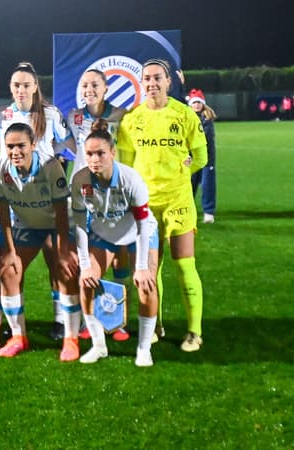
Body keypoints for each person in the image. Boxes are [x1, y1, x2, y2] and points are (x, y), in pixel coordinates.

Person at [117, 58, 208, 352]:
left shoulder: (184, 115)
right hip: (146, 206)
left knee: (184, 264)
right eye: (147, 78)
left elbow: (201, 157)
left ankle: (194, 332)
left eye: (158, 77)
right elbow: (125, 166)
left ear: (169, 82)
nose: (152, 83)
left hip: (178, 200)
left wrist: (183, 171)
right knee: (150, 268)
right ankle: (154, 324)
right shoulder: (131, 119)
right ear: (141, 82)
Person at [0, 61, 77, 341]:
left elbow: (70, 143)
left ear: (35, 87)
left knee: (57, 263)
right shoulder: (3, 115)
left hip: (48, 199)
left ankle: (61, 321)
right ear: (10, 87)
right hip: (20, 203)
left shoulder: (50, 114)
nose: (21, 90)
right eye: (16, 85)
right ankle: (14, 324)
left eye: (26, 85)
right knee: (11, 266)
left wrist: (57, 161)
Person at [71, 119, 160, 367]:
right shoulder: (79, 180)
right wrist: (85, 265)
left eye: (100, 153)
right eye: (89, 154)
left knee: (147, 285)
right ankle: (99, 346)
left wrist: (141, 267)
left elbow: (143, 224)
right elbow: (80, 225)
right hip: (104, 234)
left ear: (112, 152)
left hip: (139, 233)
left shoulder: (131, 179)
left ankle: (143, 349)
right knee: (87, 282)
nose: (94, 159)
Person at [0, 123, 79, 359]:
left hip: (57, 224)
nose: (15, 151)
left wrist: (63, 251)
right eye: (10, 146)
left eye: (21, 145)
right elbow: (3, 210)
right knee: (8, 271)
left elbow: (61, 211)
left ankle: (71, 339)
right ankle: (18, 336)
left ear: (33, 145)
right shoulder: (0, 168)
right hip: (27, 226)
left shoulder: (50, 167)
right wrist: (10, 250)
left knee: (66, 270)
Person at [66, 68, 132, 342]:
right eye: (84, 85)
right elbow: (63, 143)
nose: (89, 90)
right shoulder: (73, 116)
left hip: (115, 194)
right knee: (86, 258)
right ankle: (88, 318)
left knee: (120, 255)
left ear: (106, 88)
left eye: (94, 85)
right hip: (83, 195)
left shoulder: (122, 116)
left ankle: (118, 319)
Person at [187, 89, 218, 224]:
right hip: (191, 159)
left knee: (207, 186)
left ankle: (208, 212)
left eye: (199, 102)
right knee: (189, 186)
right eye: (194, 103)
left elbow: (204, 138)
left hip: (206, 159)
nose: (197, 105)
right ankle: (188, 211)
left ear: (203, 104)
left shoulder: (207, 118)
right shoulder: (185, 118)